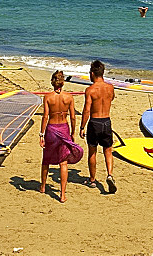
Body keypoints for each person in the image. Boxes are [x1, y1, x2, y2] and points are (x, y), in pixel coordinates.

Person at [39, 70, 83, 203]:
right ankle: (62, 194)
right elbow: (73, 117)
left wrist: (41, 134)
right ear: (63, 83)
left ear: (53, 82)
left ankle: (43, 186)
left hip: (51, 129)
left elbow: (45, 116)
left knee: (46, 158)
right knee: (63, 162)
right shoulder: (69, 97)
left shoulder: (48, 97)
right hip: (64, 127)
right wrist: (73, 132)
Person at [80, 59, 117, 193]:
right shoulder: (110, 87)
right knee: (108, 150)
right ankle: (110, 175)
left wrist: (82, 126)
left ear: (92, 73)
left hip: (94, 122)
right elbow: (111, 98)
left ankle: (92, 180)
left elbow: (87, 110)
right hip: (106, 121)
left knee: (92, 151)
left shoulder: (90, 90)